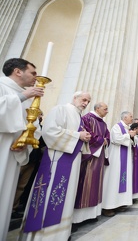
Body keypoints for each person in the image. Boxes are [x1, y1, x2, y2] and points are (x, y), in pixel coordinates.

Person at [20, 91, 91, 240]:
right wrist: (78, 135)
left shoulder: (79, 117)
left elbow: (75, 135)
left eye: (88, 101)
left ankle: (61, 233)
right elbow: (49, 131)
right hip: (58, 159)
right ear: (75, 97)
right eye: (84, 99)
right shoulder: (60, 109)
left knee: (67, 195)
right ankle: (44, 234)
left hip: (73, 160)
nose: (85, 103)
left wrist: (84, 137)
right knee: (50, 193)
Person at [0, 58, 44, 240]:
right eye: (33, 73)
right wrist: (22, 97)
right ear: (18, 71)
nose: (36, 77)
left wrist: (26, 140)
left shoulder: (24, 95)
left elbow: (32, 125)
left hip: (12, 154)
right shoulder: (6, 88)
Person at [73, 102, 110, 226]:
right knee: (85, 184)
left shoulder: (103, 122)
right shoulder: (86, 119)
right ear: (98, 108)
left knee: (95, 184)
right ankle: (78, 217)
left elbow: (107, 136)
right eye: (105, 109)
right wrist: (101, 141)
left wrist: (106, 140)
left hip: (99, 156)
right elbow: (87, 135)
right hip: (90, 156)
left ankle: (92, 214)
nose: (107, 111)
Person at [101, 111, 137, 217]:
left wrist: (131, 137)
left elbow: (131, 143)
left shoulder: (127, 128)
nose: (132, 118)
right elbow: (115, 139)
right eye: (131, 116)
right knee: (113, 180)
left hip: (124, 158)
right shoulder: (117, 127)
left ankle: (120, 203)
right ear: (125, 117)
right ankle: (108, 206)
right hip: (117, 158)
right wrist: (128, 136)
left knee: (121, 180)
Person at [12, 112, 46, 220]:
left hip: (32, 160)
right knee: (12, 183)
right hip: (20, 158)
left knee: (22, 186)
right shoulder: (25, 124)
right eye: (39, 114)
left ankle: (14, 207)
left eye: (41, 115)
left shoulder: (41, 128)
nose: (40, 117)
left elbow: (42, 143)